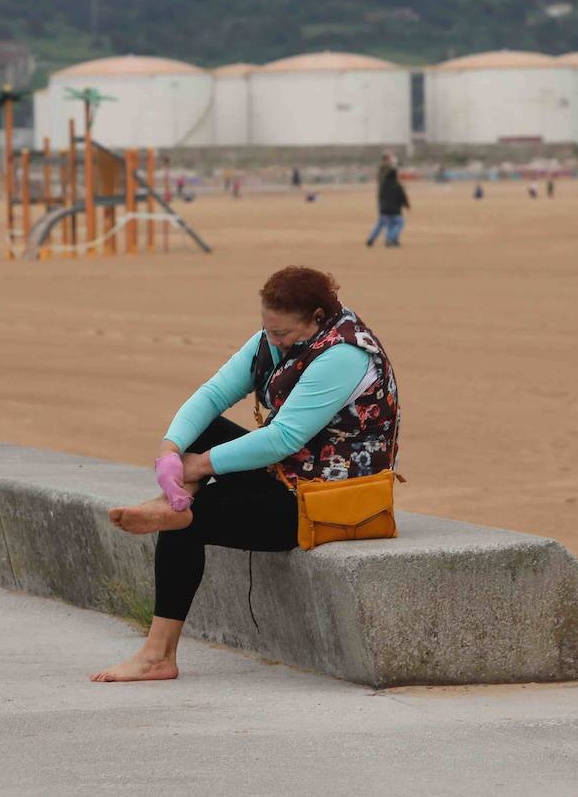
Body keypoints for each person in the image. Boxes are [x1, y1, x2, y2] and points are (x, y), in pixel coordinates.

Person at [92, 266, 400, 683]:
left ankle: (157, 656)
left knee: (188, 524)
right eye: (267, 331)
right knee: (200, 432)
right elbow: (214, 394)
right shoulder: (275, 340)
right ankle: (176, 500)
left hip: (323, 502)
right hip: (286, 476)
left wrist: (198, 465)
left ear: (317, 317)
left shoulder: (345, 354)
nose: (273, 342)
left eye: (283, 334)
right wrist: (170, 451)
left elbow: (283, 438)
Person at [365, 150, 410, 248]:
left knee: (384, 221)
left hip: (385, 198)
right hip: (387, 198)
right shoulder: (385, 169)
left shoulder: (387, 169)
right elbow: (390, 178)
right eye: (390, 158)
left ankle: (377, 239)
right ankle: (389, 239)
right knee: (387, 221)